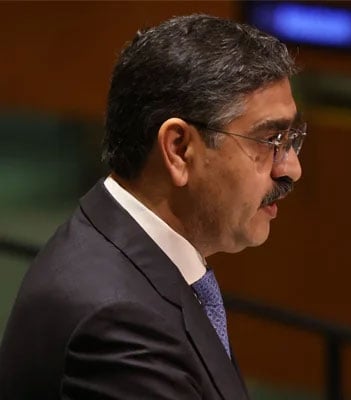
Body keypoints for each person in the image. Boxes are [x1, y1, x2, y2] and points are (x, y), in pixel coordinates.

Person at [0, 14, 304, 399]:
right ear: (178, 149)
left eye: (292, 138)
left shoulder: (122, 250)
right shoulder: (118, 321)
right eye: (269, 139)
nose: (291, 168)